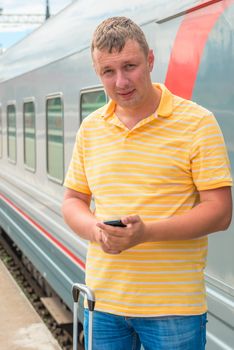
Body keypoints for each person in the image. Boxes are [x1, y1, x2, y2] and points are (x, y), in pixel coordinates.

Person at [62, 16, 232, 350]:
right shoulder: (91, 128)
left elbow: (221, 212)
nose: (121, 81)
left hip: (173, 308)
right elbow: (72, 202)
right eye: (108, 72)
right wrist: (95, 229)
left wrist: (146, 233)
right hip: (103, 301)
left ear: (150, 60)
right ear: (98, 72)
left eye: (130, 66)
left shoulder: (197, 123)